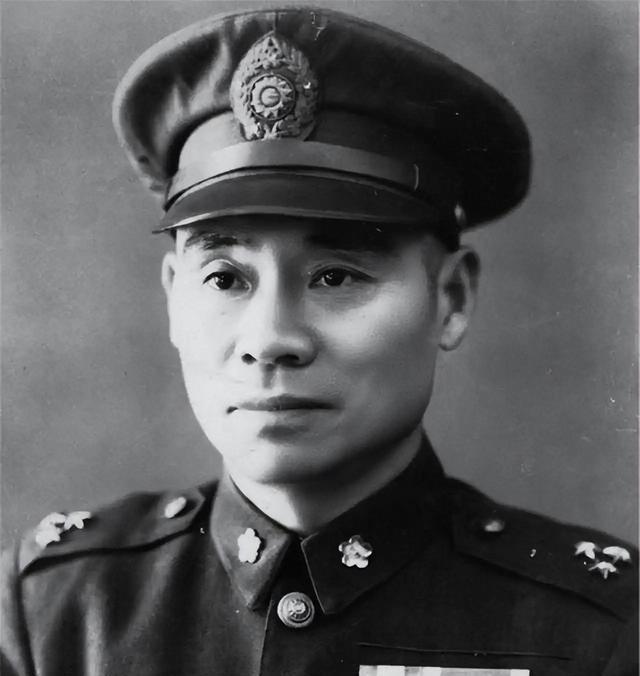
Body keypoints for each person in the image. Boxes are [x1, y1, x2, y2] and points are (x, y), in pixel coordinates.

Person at [1, 7, 636, 676]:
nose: (270, 339)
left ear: (451, 299)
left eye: (336, 276)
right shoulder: (55, 615)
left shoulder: (601, 631)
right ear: (173, 298)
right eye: (225, 278)